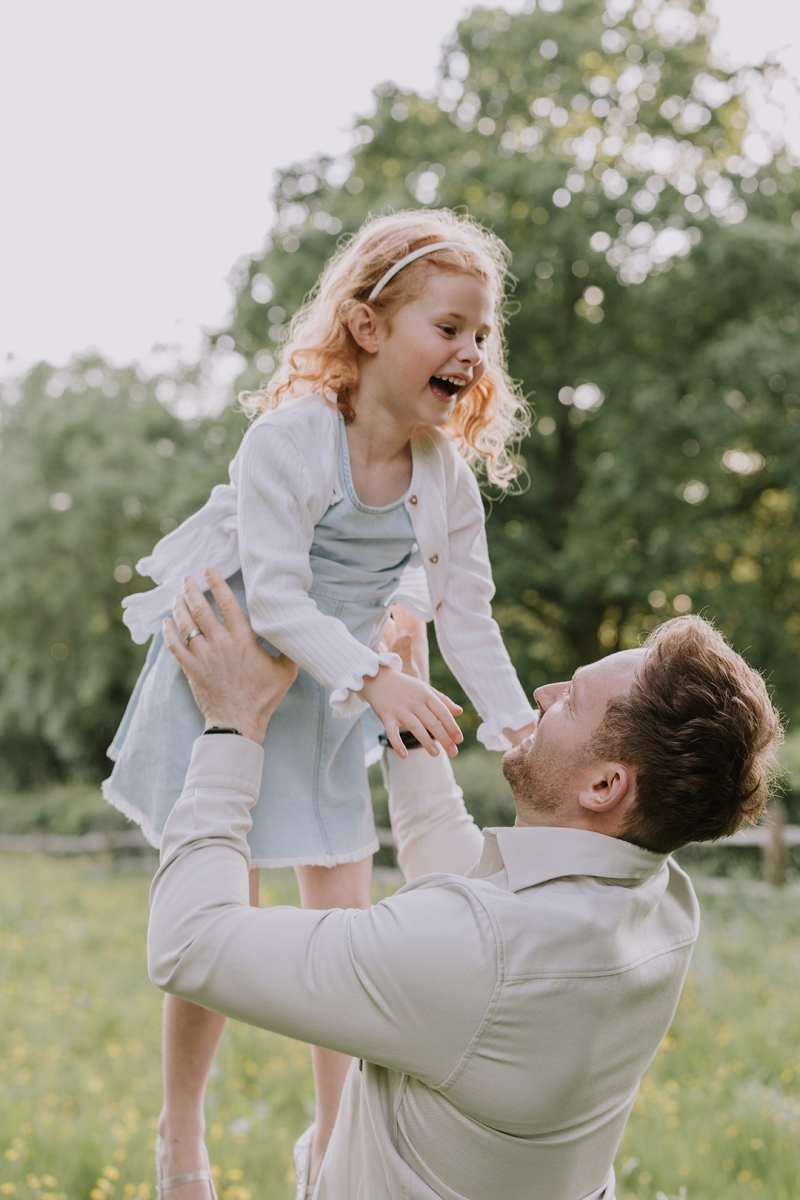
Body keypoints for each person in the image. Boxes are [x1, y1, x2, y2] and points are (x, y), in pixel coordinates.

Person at [103, 210, 540, 1193]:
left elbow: (467, 616)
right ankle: (181, 1135)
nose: (470, 351)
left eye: (481, 334)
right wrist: (378, 677)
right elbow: (281, 595)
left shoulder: (444, 477)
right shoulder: (291, 442)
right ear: (367, 327)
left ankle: (337, 1150)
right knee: (226, 898)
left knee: (343, 916)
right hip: (245, 661)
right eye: (449, 327)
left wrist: (519, 728)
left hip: (342, 689)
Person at [148, 570, 781, 1200]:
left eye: (572, 700)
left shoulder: (482, 958)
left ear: (605, 786)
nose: (541, 692)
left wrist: (232, 724)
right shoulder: (662, 902)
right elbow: (461, 874)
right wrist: (408, 703)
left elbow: (190, 942)